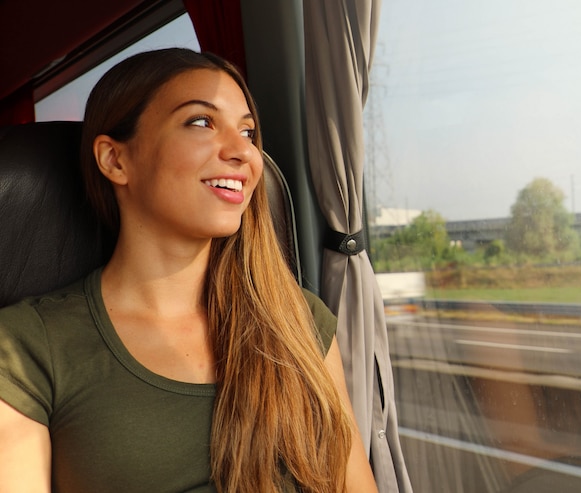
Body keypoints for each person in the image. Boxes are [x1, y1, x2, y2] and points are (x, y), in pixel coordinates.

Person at [0, 48, 378, 492]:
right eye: (201, 121)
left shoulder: (298, 320)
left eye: (248, 131)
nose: (244, 153)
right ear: (115, 160)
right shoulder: (26, 345)